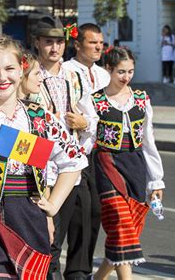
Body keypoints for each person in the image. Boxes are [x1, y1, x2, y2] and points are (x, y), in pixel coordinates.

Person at [0, 35, 88, 279]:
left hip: (29, 219)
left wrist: (53, 205)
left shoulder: (39, 117)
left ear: (21, 70)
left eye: (9, 68)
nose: (2, 77)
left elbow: (74, 160)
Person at [29, 16, 99, 280]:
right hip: (42, 164)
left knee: (81, 223)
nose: (55, 48)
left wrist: (84, 123)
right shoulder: (31, 73)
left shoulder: (74, 76)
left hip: (70, 162)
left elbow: (89, 115)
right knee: (49, 235)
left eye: (59, 42)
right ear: (37, 43)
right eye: (49, 42)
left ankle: (77, 274)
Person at [92, 46, 165, 280]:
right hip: (107, 166)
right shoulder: (95, 101)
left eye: (130, 71)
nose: (126, 77)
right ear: (108, 70)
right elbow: (87, 140)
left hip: (135, 166)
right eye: (121, 72)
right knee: (122, 225)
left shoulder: (142, 100)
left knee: (127, 233)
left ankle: (96, 278)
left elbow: (148, 140)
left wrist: (156, 181)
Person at [63, 22, 108, 279]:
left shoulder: (103, 75)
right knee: (78, 209)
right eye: (92, 43)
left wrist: (90, 123)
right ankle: (74, 270)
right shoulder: (67, 71)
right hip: (73, 151)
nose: (98, 47)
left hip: (97, 151)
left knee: (95, 211)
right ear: (78, 44)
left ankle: (82, 268)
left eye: (101, 43)